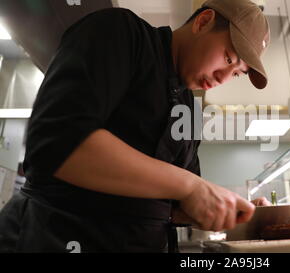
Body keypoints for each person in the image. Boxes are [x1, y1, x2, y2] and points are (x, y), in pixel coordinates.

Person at [0, 0, 271, 252]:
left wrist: (232, 210)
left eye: (236, 73)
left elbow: (176, 204)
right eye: (227, 58)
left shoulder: (189, 110)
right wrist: (190, 186)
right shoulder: (121, 33)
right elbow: (57, 143)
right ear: (203, 22)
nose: (224, 78)